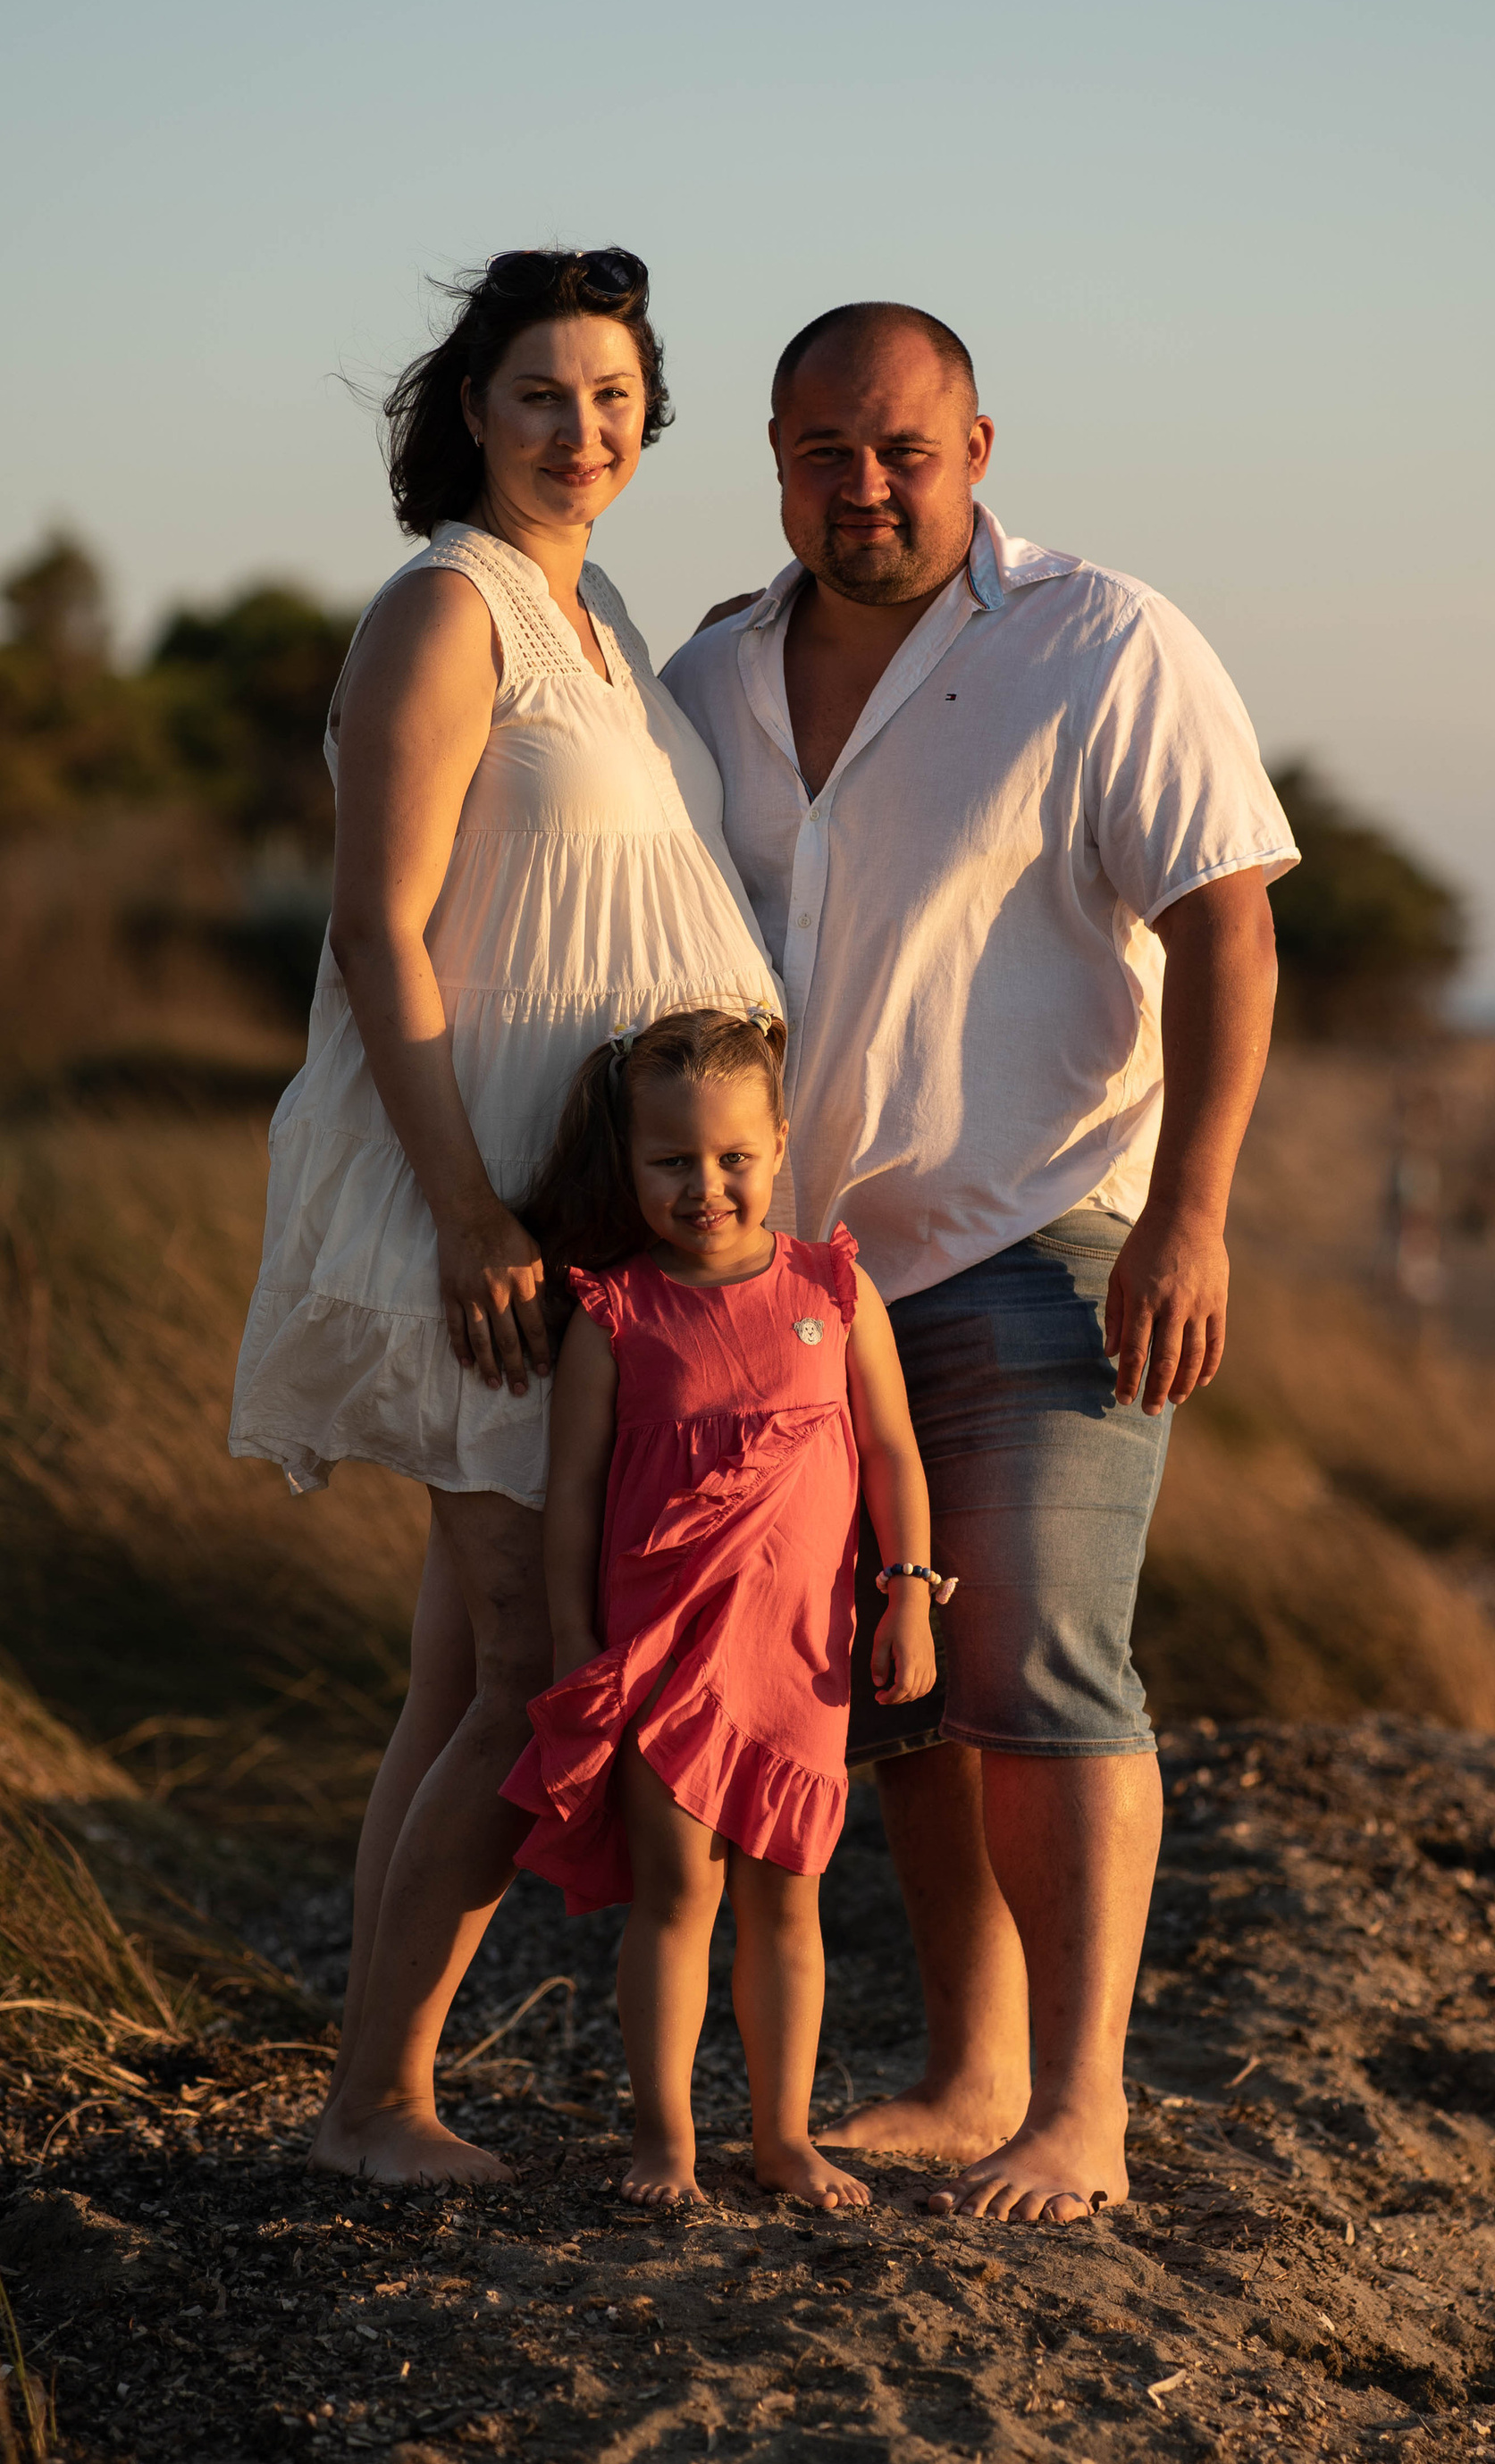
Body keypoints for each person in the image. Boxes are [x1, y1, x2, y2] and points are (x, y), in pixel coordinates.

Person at [664, 302, 1295, 2226]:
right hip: (805, 1289)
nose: (861, 486)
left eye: (900, 449)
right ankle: (966, 2075)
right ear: (774, 459)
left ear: (977, 447)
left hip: (1041, 1244)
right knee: (898, 1695)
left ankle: (1079, 2114)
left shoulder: (1097, 643)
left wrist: (1189, 1216)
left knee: (1040, 1674)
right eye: (818, 452)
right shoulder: (713, 673)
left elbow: (1229, 932)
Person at [231, 247, 779, 2186]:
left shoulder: (604, 616)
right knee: (524, 1671)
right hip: (490, 1220)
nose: (582, 432)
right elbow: (379, 927)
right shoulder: (439, 609)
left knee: (458, 1676)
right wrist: (469, 1214)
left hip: (608, 1214)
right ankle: (377, 2105)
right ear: (470, 406)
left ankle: (363, 2091)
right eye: (543, 394)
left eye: (617, 400)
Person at [503, 1006, 939, 2211]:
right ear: (630, 1165)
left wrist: (909, 1596)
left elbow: (895, 1456)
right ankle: (665, 2139)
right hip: (664, 1655)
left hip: (801, 1659)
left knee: (788, 1905)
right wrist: (575, 1644)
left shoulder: (834, 1292)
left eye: (735, 1158)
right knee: (677, 1896)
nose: (707, 1186)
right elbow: (573, 1502)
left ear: (780, 1143)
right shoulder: (614, 1316)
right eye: (672, 1162)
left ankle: (785, 2138)